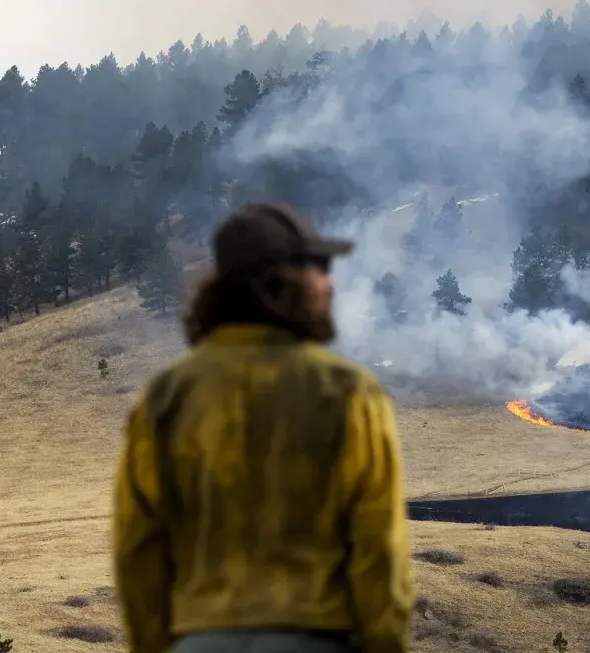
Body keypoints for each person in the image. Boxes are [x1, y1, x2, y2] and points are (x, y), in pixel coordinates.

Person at [112, 202, 414, 653]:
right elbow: (378, 545)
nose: (330, 282)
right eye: (319, 268)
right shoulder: (348, 392)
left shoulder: (166, 396)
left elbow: (138, 547)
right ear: (286, 281)